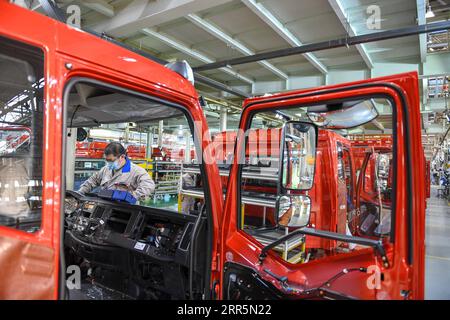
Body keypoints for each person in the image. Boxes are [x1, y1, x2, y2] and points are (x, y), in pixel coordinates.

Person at [78, 142, 155, 202]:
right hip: (104, 205)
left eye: (111, 160)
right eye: (106, 160)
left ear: (122, 157)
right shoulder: (105, 169)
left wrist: (131, 197)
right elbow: (92, 181)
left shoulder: (136, 171)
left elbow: (149, 186)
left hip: (124, 209)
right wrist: (80, 193)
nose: (108, 163)